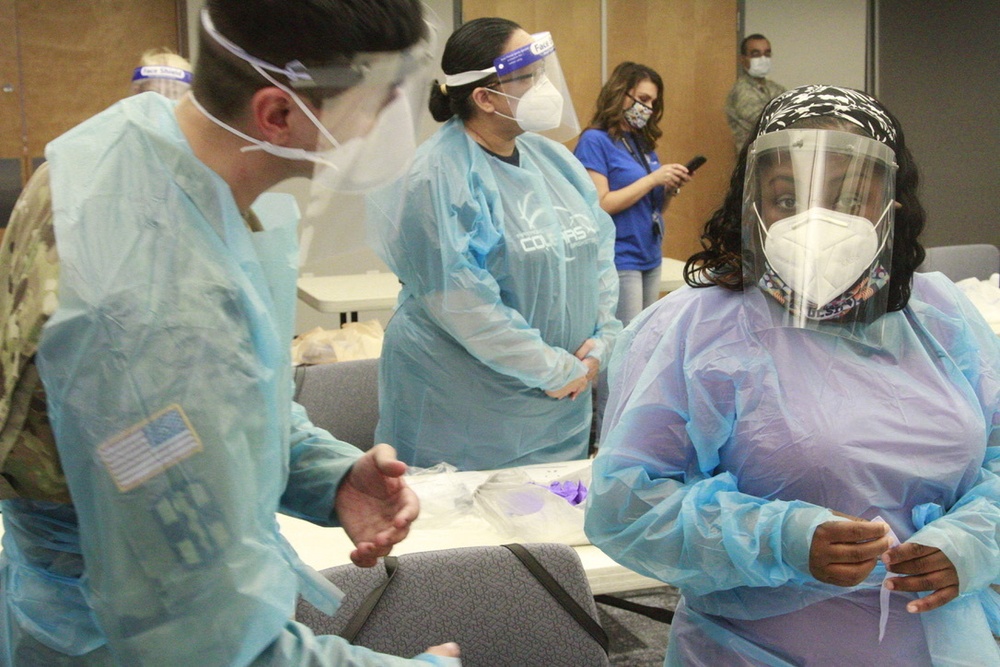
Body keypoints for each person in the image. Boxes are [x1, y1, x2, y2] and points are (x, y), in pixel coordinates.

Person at [0, 1, 462, 664]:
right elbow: (202, 639)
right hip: (118, 633)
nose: (395, 118)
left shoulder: (153, 158)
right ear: (277, 114)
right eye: (380, 97)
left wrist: (322, 473)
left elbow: (205, 414)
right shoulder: (154, 305)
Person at [586, 85, 1000, 665]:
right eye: (787, 198)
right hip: (758, 649)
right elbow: (625, 505)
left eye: (850, 197)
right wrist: (780, 539)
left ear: (892, 207)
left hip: (940, 644)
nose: (816, 222)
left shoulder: (938, 317)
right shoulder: (698, 329)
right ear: (752, 205)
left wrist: (975, 540)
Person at [368, 17, 621, 471]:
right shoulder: (437, 178)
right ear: (484, 97)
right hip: (465, 409)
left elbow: (597, 254)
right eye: (528, 76)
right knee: (464, 537)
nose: (545, 86)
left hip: (562, 404)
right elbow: (464, 303)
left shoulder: (555, 162)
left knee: (548, 533)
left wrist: (602, 341)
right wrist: (553, 368)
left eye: (543, 70)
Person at [574, 61, 692, 326]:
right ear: (621, 94)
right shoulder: (595, 141)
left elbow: (654, 208)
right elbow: (601, 204)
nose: (647, 108)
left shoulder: (642, 144)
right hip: (620, 255)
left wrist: (668, 188)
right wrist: (652, 179)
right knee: (625, 340)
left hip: (649, 253)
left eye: (652, 102)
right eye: (643, 99)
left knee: (645, 337)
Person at [724, 34, 785, 153]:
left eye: (767, 54)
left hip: (774, 153)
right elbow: (765, 121)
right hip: (752, 158)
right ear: (743, 59)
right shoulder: (742, 90)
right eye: (756, 54)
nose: (763, 59)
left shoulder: (775, 88)